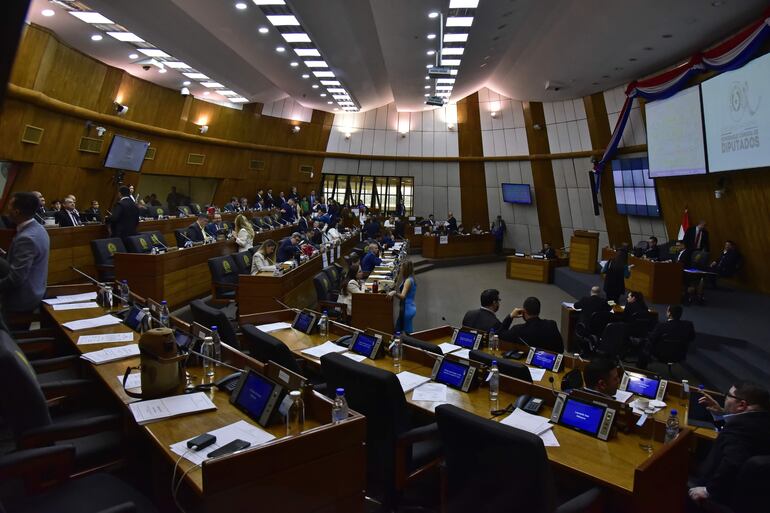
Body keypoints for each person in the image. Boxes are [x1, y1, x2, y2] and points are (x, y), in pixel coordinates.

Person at [688, 382, 770, 510]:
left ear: (742, 405)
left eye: (728, 395)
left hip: (718, 493)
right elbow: (735, 440)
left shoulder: (741, 427)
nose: (725, 398)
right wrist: (720, 414)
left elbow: (733, 462)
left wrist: (708, 490)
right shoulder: (761, 421)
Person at [0, 192, 50, 326]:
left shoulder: (26, 237)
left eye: (9, 206)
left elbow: (16, 279)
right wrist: (4, 254)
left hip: (21, 299)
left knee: (11, 339)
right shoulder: (39, 229)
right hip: (35, 291)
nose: (7, 210)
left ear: (16, 212)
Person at [637, 304, 695, 369]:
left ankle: (640, 368)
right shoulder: (688, 325)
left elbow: (651, 339)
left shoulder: (661, 326)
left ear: (669, 313)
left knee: (643, 343)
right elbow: (692, 338)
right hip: (679, 355)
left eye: (667, 310)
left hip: (662, 355)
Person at [498, 296, 564, 353]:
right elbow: (561, 349)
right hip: (549, 362)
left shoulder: (517, 330)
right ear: (539, 311)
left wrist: (510, 316)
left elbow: (499, 335)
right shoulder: (551, 324)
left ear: (524, 311)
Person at [389, 260, 417, 334]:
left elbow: (403, 296)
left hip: (406, 309)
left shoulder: (408, 281)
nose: (400, 268)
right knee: (400, 330)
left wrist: (395, 293)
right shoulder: (411, 278)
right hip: (409, 306)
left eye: (402, 267)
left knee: (406, 333)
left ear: (406, 269)